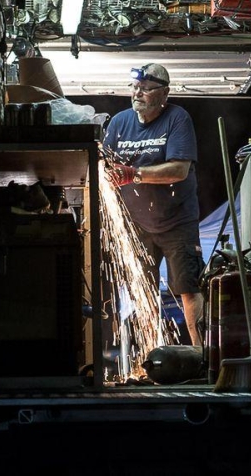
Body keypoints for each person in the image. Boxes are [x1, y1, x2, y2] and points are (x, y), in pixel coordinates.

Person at [102, 63, 205, 347]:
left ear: (164, 94)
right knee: (139, 289)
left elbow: (179, 170)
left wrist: (134, 174)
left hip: (177, 222)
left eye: (146, 90)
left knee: (187, 286)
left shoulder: (177, 119)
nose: (138, 94)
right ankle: (148, 354)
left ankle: (200, 354)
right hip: (136, 224)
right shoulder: (120, 123)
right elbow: (106, 166)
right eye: (135, 88)